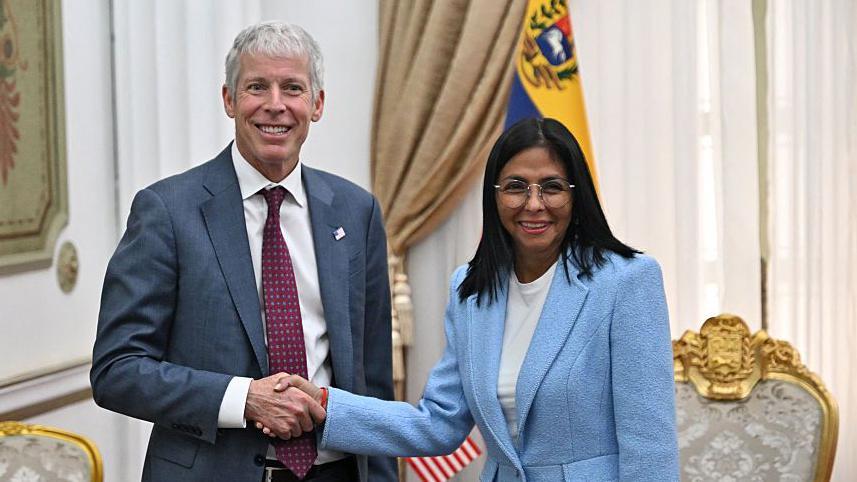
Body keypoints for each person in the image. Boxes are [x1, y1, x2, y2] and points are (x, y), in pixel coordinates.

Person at [271, 118, 680, 481]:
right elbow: (439, 423)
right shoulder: (471, 290)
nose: (534, 204)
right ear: (494, 195)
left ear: (577, 196)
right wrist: (327, 405)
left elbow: (649, 448)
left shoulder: (627, 281)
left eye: (552, 187)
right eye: (516, 187)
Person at [90, 21, 397, 482]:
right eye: (257, 86)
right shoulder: (167, 211)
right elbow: (118, 370)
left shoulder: (357, 213)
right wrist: (242, 399)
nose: (275, 104)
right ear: (230, 100)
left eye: (292, 87)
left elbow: (375, 384)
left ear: (316, 104)